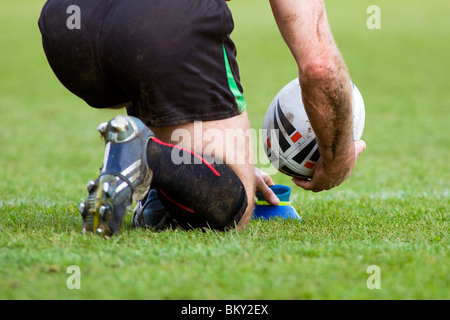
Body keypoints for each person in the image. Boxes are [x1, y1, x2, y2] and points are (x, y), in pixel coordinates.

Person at [38, 0, 366, 236]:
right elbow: (319, 67)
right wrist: (337, 158)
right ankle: (146, 157)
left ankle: (159, 183)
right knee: (235, 204)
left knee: (149, 69)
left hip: (65, 29)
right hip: (161, 23)